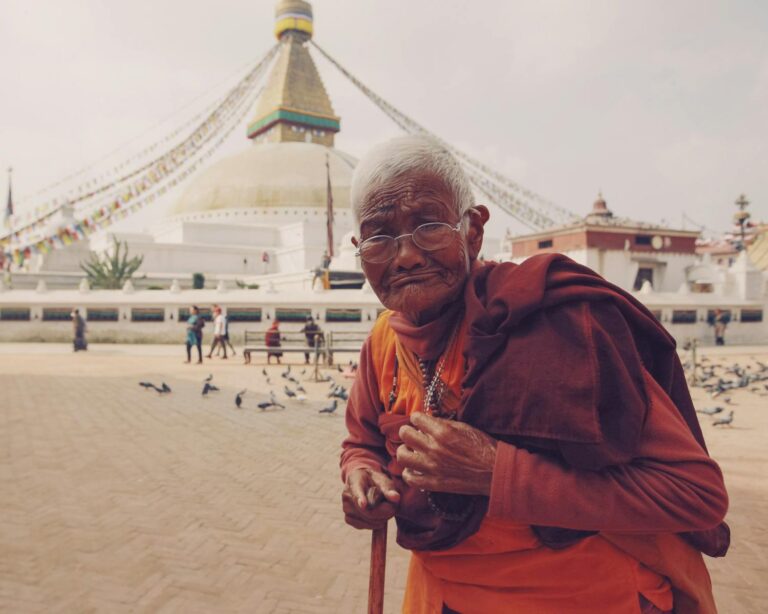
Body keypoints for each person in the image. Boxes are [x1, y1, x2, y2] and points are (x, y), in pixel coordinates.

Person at [340, 136, 729, 614]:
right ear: (359, 250)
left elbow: (696, 495)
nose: (405, 256)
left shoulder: (553, 323)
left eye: (429, 225)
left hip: (591, 598)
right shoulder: (381, 344)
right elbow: (361, 444)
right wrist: (364, 478)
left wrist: (496, 473)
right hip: (446, 597)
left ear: (473, 231)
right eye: (379, 236)